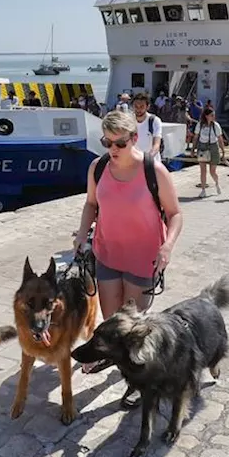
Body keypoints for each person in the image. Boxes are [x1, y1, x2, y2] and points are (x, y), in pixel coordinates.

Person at [73, 111, 184, 405]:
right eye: (106, 142)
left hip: (143, 258)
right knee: (111, 322)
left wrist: (167, 246)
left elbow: (174, 214)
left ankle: (137, 381)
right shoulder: (97, 168)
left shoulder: (154, 171)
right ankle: (115, 361)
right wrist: (82, 234)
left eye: (119, 143)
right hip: (107, 253)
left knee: (133, 330)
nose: (112, 149)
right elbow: (91, 203)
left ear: (134, 138)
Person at [194, 107, 226, 196]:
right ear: (206, 116)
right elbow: (196, 137)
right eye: (212, 115)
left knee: (212, 171)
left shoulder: (216, 125)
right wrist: (193, 149)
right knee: (203, 170)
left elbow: (220, 139)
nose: (213, 117)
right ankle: (203, 190)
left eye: (214, 115)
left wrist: (223, 151)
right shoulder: (200, 125)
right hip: (202, 147)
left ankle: (217, 184)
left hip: (213, 147)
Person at [131, 92, 163, 160]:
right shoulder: (129, 120)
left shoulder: (154, 121)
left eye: (142, 106)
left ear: (147, 107)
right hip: (135, 162)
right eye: (136, 106)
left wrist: (147, 159)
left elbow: (156, 145)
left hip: (152, 162)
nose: (138, 109)